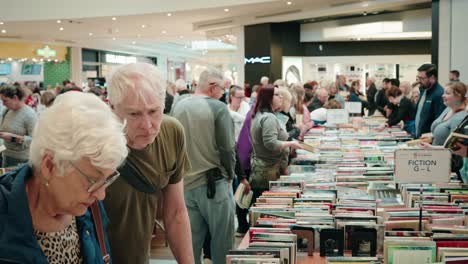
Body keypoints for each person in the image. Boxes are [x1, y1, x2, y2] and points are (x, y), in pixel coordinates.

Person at [0, 92, 128, 263]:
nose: (101, 195)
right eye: (92, 180)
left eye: (107, 180)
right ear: (49, 166)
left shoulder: (90, 208)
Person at [104, 62, 193, 264]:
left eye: (154, 111)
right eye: (134, 114)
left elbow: (176, 211)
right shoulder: (94, 145)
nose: (147, 126)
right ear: (111, 107)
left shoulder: (172, 132)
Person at [171, 69, 236, 264]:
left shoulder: (178, 106)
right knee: (222, 241)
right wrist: (231, 174)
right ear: (212, 87)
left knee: (190, 244)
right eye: (223, 89)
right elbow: (227, 147)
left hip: (184, 184)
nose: (224, 94)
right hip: (214, 184)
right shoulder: (218, 108)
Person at [243, 85, 301, 202]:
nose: (281, 98)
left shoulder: (261, 115)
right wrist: (289, 144)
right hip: (267, 172)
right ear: (267, 98)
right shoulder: (268, 117)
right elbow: (271, 144)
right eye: (277, 95)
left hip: (264, 170)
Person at [0, 84, 38, 167]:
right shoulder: (6, 111)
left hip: (22, 160)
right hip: (6, 155)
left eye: (5, 101)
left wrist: (13, 138)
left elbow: (35, 140)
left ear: (15, 98)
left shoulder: (29, 114)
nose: (3, 104)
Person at [414, 64, 445, 138]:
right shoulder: (424, 90)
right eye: (418, 77)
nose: (419, 81)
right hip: (419, 137)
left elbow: (439, 121)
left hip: (428, 140)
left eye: (422, 78)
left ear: (432, 78)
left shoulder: (439, 94)